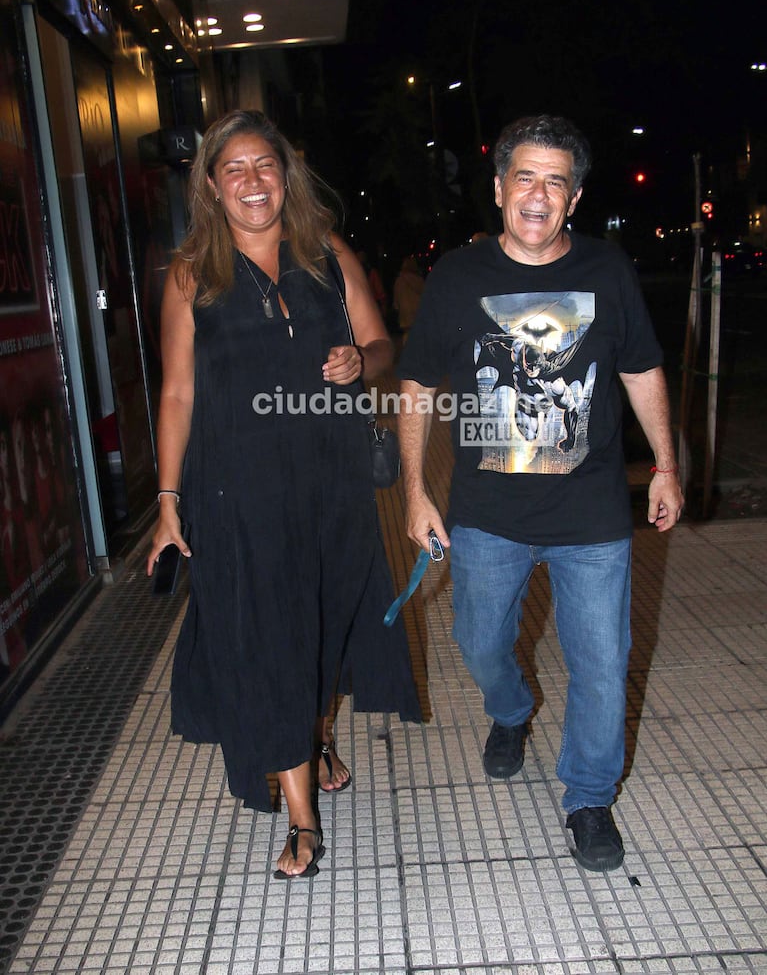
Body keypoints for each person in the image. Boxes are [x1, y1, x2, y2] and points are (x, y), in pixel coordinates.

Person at [397, 114, 683, 872]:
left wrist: (664, 463)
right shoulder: (457, 278)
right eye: (524, 176)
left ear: (574, 197)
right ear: (497, 189)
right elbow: (418, 382)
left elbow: (640, 368)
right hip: (487, 516)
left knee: (601, 662)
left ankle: (587, 799)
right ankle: (511, 710)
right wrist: (414, 496)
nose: (537, 193)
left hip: (589, 516)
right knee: (478, 644)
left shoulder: (607, 270)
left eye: (555, 180)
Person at [147, 109, 421, 880]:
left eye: (264, 165)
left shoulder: (327, 253)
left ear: (285, 173)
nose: (252, 181)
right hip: (237, 487)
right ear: (210, 184)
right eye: (233, 169)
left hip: (329, 474)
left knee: (326, 614)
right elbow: (175, 394)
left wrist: (356, 363)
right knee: (268, 634)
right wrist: (168, 499)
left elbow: (381, 344)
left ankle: (316, 727)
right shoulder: (193, 271)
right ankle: (302, 815)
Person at [392, 256, 425, 340]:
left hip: (404, 313)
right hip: (418, 311)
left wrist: (397, 307)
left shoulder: (399, 280)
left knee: (407, 336)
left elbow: (396, 298)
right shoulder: (418, 280)